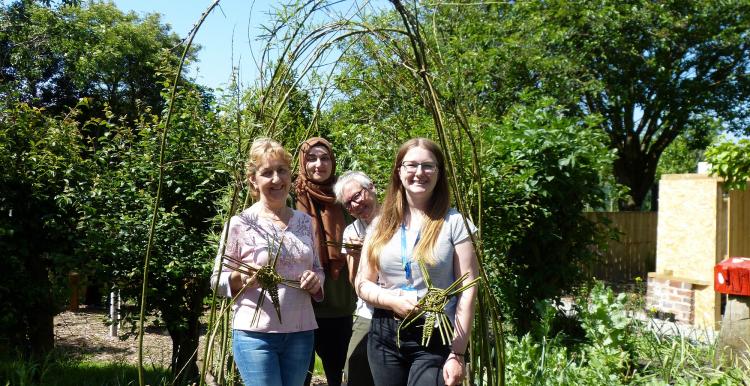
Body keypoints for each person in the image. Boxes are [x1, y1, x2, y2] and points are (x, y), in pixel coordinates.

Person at [355, 138, 479, 386]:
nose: (419, 173)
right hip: (385, 333)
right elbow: (362, 284)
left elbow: (468, 289)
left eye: (428, 166)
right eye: (411, 165)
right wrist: (392, 300)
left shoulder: (455, 223)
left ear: (439, 172)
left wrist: (458, 352)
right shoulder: (380, 224)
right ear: (399, 171)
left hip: (435, 333)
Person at [211, 138, 324, 386]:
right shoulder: (240, 224)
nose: (276, 179)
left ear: (290, 175)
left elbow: (317, 269)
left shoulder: (305, 222)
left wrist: (315, 282)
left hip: (301, 332)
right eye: (267, 173)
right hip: (255, 335)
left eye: (282, 171)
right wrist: (242, 278)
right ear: (253, 179)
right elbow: (217, 280)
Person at [295, 137, 357, 386]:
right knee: (300, 377)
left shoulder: (347, 199)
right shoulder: (289, 199)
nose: (318, 164)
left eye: (325, 158)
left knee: (337, 374)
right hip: (299, 305)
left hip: (339, 302)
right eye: (311, 158)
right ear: (302, 162)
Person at [334, 171, 381, 386]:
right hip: (368, 311)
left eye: (356, 197)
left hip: (402, 308)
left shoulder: (399, 219)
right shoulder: (351, 231)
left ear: (371, 187)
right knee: (353, 371)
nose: (354, 206)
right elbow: (355, 283)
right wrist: (357, 256)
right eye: (348, 204)